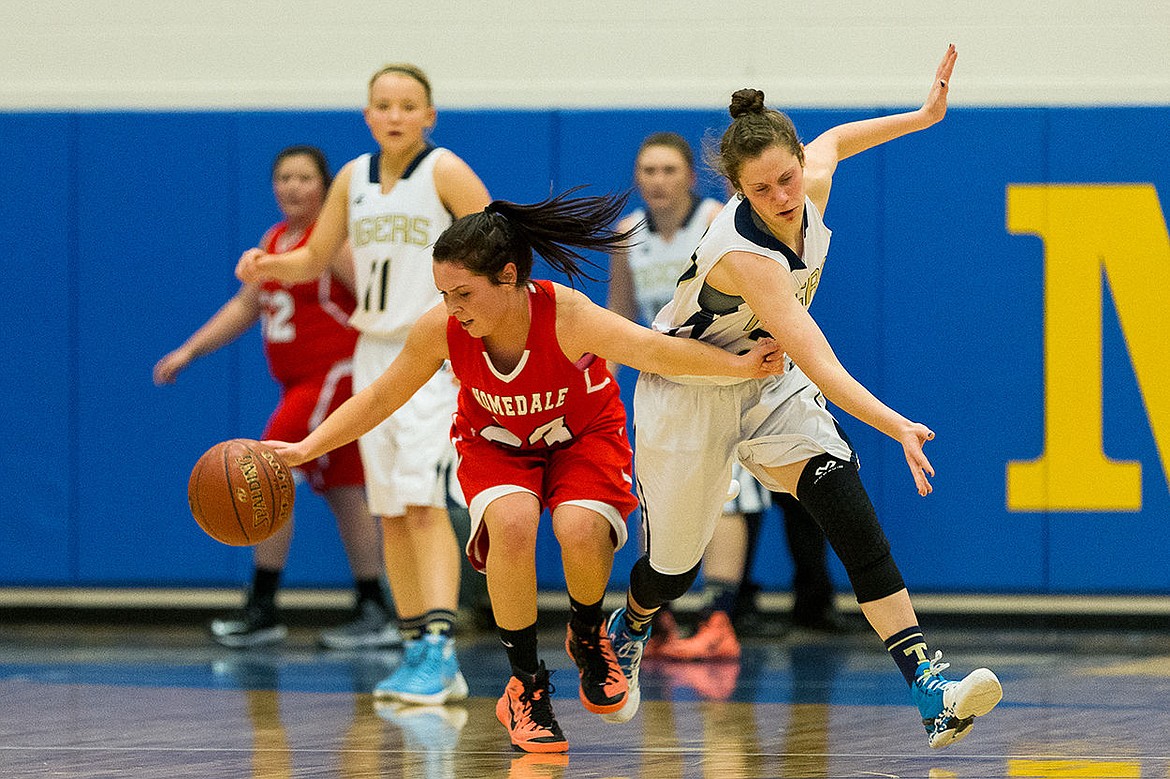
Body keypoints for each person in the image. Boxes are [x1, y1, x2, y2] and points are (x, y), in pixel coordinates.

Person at [259, 188, 786, 753]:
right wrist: (305, 447)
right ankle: (526, 687)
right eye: (443, 293)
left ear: (508, 278)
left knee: (579, 528)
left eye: (464, 293)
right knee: (511, 523)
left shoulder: (569, 315)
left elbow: (656, 352)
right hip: (495, 444)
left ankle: (587, 635)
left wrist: (738, 365)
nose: (452, 306)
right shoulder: (441, 328)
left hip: (583, 437)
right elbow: (380, 398)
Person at [605, 45, 1004, 750]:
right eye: (763, 191)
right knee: (674, 569)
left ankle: (929, 687)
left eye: (788, 178)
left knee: (843, 500)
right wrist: (895, 424)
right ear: (737, 191)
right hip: (690, 386)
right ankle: (630, 622)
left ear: (796, 162)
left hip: (764, 377)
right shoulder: (745, 255)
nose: (784, 197)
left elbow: (841, 139)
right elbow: (819, 361)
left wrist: (923, 114)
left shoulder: (809, 173)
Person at [236, 64, 491, 704]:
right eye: (384, 104)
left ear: (429, 115)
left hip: (435, 352)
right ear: (368, 115)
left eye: (409, 104)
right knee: (390, 510)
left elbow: (497, 243)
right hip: (374, 350)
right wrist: (269, 264)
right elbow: (317, 257)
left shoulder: (446, 171)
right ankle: (413, 647)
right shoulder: (351, 178)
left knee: (425, 503)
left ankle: (441, 648)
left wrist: (478, 323)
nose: (396, 114)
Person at [154, 145, 397, 650]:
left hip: (333, 378)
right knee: (344, 492)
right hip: (302, 384)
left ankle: (263, 605)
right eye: (283, 177)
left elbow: (377, 300)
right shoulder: (274, 241)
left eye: (304, 178)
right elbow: (245, 307)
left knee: (261, 470)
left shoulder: (331, 244)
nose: (291, 186)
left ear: (325, 188)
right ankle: (374, 608)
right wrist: (189, 350)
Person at [606, 132, 835, 662]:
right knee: (663, 498)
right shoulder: (627, 233)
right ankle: (654, 619)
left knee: (736, 494)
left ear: (690, 177)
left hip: (737, 367)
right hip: (672, 376)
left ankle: (720, 612)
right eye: (648, 170)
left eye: (668, 170)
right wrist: (598, 378)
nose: (658, 180)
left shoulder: (722, 218)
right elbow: (620, 314)